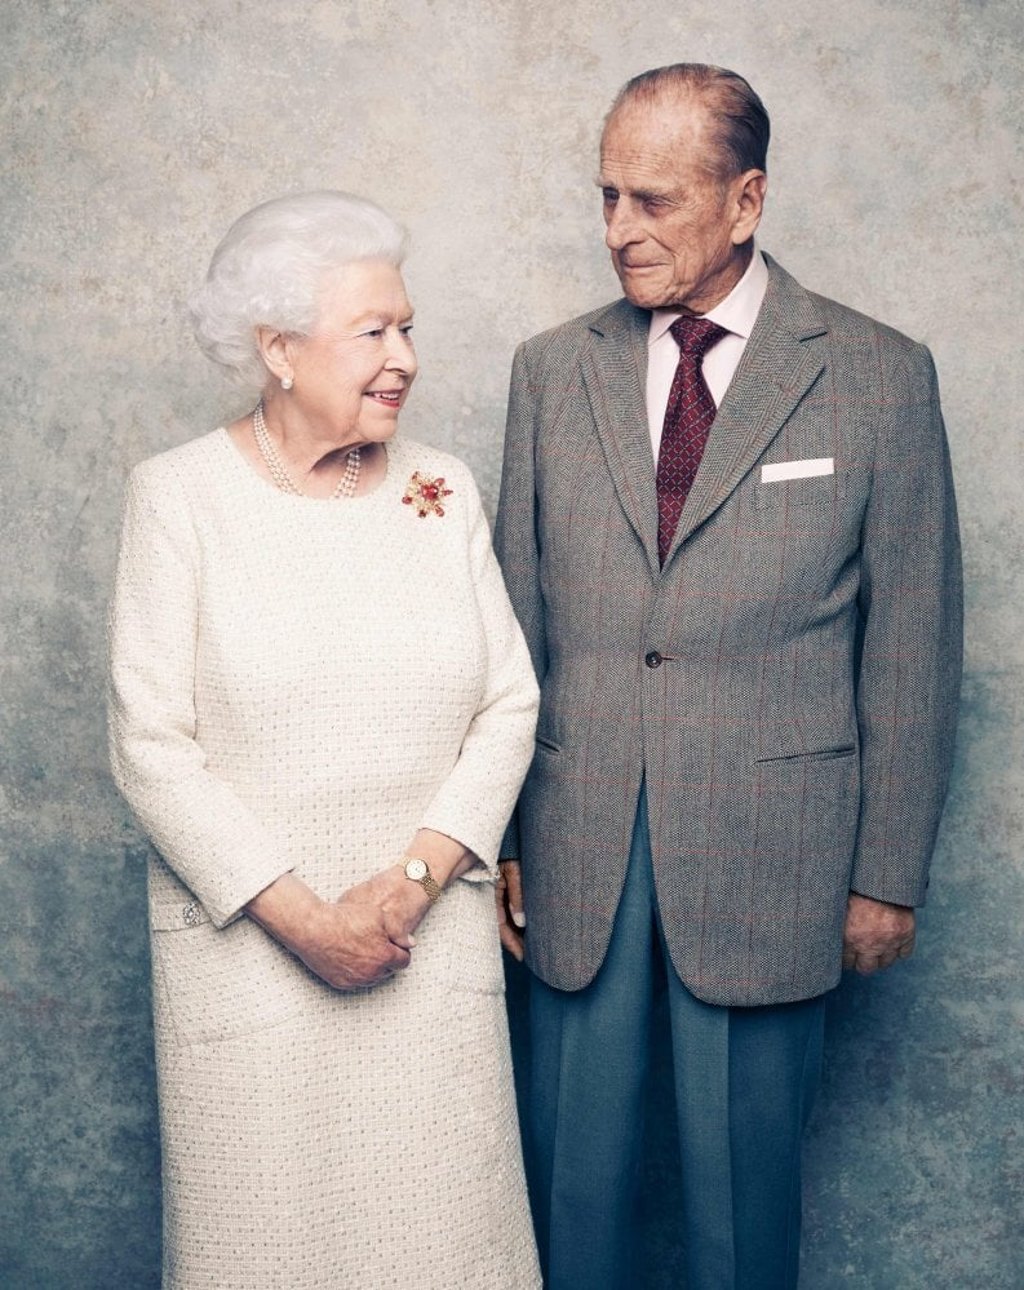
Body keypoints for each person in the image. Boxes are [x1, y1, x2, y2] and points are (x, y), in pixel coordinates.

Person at [494, 64, 962, 1289]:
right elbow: (513, 626)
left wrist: (884, 873)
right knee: (568, 1190)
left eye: (652, 201)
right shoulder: (549, 372)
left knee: (742, 1211)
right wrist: (502, 836)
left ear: (745, 202)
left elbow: (913, 645)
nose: (617, 231)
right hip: (579, 840)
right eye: (605, 198)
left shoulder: (877, 375)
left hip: (778, 855)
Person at [108, 190, 541, 1289]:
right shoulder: (179, 499)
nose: (403, 357)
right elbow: (150, 743)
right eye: (372, 332)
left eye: (407, 328)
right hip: (250, 970)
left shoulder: (442, 488)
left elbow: (508, 704)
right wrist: (305, 922)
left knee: (444, 1252)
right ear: (277, 349)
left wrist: (404, 888)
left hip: (421, 953)